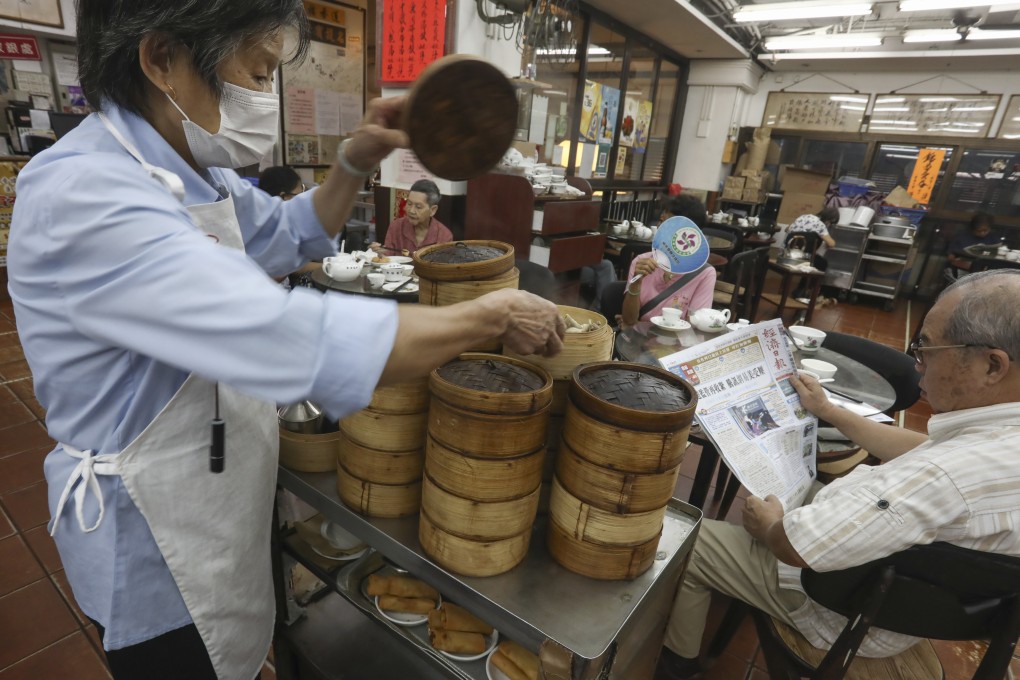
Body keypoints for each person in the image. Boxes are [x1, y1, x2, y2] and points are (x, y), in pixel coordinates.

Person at [6, 3, 565, 679]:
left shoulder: (194, 171)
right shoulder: (84, 192)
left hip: (215, 494)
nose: (264, 92)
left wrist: (354, 161)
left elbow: (289, 231)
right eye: (258, 67)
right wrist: (487, 316)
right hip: (153, 536)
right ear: (161, 60)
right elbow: (288, 336)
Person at [656, 269, 1020, 680]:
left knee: (688, 537)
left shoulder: (942, 476)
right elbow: (922, 449)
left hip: (850, 614)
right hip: (913, 604)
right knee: (802, 480)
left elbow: (795, 547)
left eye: (927, 349)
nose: (919, 367)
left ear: (992, 365)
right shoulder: (997, 441)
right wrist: (829, 411)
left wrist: (768, 527)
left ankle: (677, 662)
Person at [620, 218, 716, 327]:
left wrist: (641, 325)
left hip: (677, 342)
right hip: (639, 338)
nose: (662, 228)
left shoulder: (705, 273)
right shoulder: (641, 262)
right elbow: (629, 320)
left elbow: (695, 327)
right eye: (661, 222)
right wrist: (635, 284)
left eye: (671, 225)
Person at [370, 177, 453, 256]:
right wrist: (381, 253)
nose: (411, 211)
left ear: (433, 210)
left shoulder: (444, 236)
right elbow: (388, 258)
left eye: (418, 207)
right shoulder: (396, 227)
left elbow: (442, 268)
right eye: (409, 204)